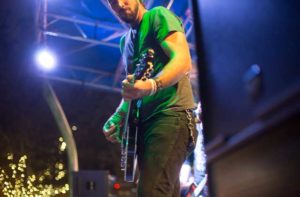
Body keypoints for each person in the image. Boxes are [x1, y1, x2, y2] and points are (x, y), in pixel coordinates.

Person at [102, 0, 197, 196]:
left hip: (171, 116)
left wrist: (152, 85)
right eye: (112, 1)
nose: (120, 4)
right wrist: (119, 114)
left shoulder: (158, 16)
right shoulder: (125, 42)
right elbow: (132, 88)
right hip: (146, 127)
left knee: (151, 192)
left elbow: (182, 60)